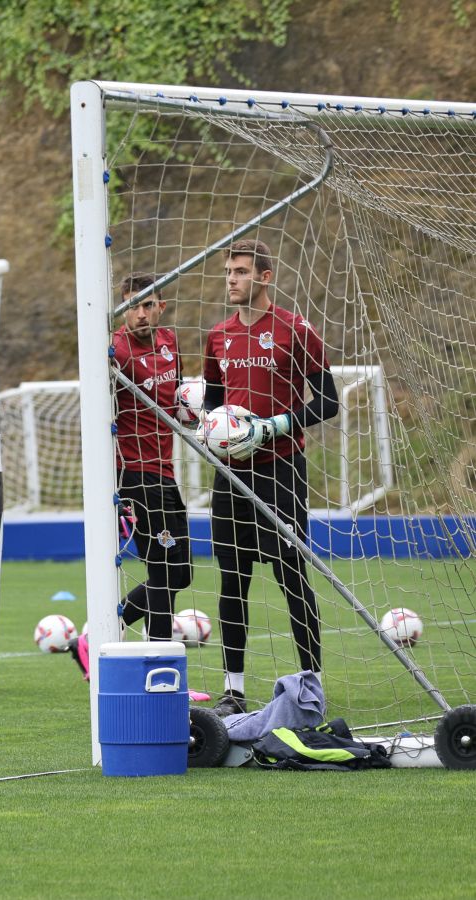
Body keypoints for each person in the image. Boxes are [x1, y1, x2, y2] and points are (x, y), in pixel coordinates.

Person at [202, 239, 339, 716]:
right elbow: (213, 407)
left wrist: (274, 425)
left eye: (240, 271)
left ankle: (311, 685)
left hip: (280, 468)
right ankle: (233, 690)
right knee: (231, 579)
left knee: (291, 576)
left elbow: (329, 401)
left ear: (264, 277)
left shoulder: (295, 329)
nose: (231, 280)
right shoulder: (217, 335)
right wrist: (202, 416)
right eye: (228, 272)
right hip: (230, 476)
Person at [69, 272, 192, 680]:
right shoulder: (114, 351)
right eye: (132, 305)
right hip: (134, 474)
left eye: (147, 304)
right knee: (162, 572)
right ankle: (161, 672)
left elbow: (178, 401)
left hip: (165, 470)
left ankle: (100, 633)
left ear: (162, 305)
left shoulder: (171, 343)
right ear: (122, 307)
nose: (140, 313)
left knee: (182, 572)